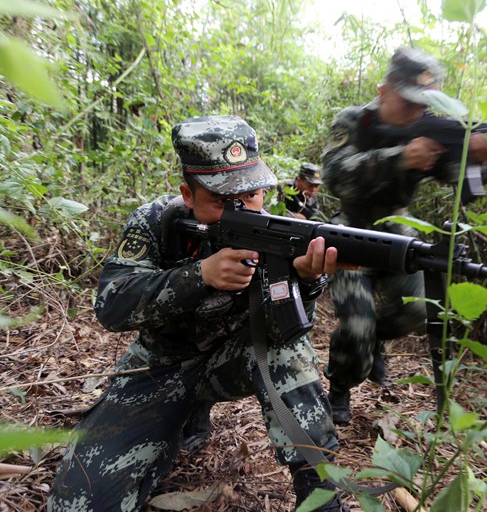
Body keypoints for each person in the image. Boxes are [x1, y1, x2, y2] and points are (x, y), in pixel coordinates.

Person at [48, 116, 347, 512]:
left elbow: (285, 329)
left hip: (232, 363)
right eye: (222, 202)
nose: (243, 209)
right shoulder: (159, 222)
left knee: (286, 347)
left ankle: (321, 495)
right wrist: (199, 275)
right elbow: (112, 306)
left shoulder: (280, 233)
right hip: (159, 366)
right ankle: (181, 416)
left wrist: (307, 282)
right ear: (188, 195)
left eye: (252, 195)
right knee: (78, 502)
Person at [321, 47, 487, 424]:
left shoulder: (433, 128)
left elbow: (462, 184)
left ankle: (372, 343)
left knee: (417, 309)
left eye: (423, 105)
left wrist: (478, 157)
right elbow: (334, 175)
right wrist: (399, 158)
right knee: (356, 324)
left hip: (397, 228)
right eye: (407, 102)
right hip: (350, 229)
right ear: (384, 91)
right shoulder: (354, 120)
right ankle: (340, 385)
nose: (416, 113)